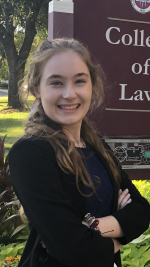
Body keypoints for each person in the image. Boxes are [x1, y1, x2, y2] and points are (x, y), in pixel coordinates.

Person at [8, 38, 150, 267]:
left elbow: (141, 211)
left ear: (91, 85)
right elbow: (72, 247)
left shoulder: (97, 145)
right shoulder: (29, 153)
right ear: (37, 90)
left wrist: (90, 226)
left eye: (79, 81)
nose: (70, 94)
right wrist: (119, 236)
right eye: (56, 83)